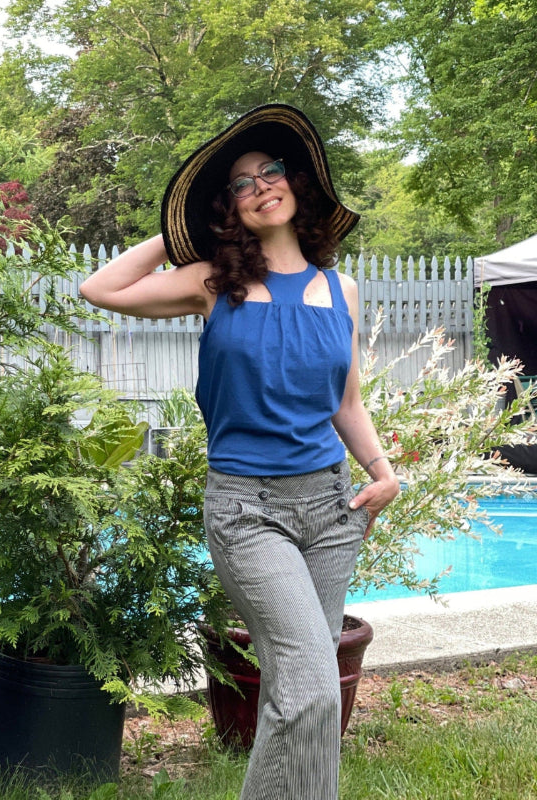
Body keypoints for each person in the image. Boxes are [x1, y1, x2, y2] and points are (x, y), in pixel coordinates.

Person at [80, 103, 399, 800]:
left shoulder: (339, 288)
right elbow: (99, 288)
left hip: (330, 508)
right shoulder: (211, 282)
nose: (260, 187)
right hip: (247, 512)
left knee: (297, 692)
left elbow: (345, 401)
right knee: (313, 686)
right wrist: (174, 234)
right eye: (241, 184)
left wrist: (383, 473)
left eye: (270, 172)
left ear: (297, 183)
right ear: (228, 208)